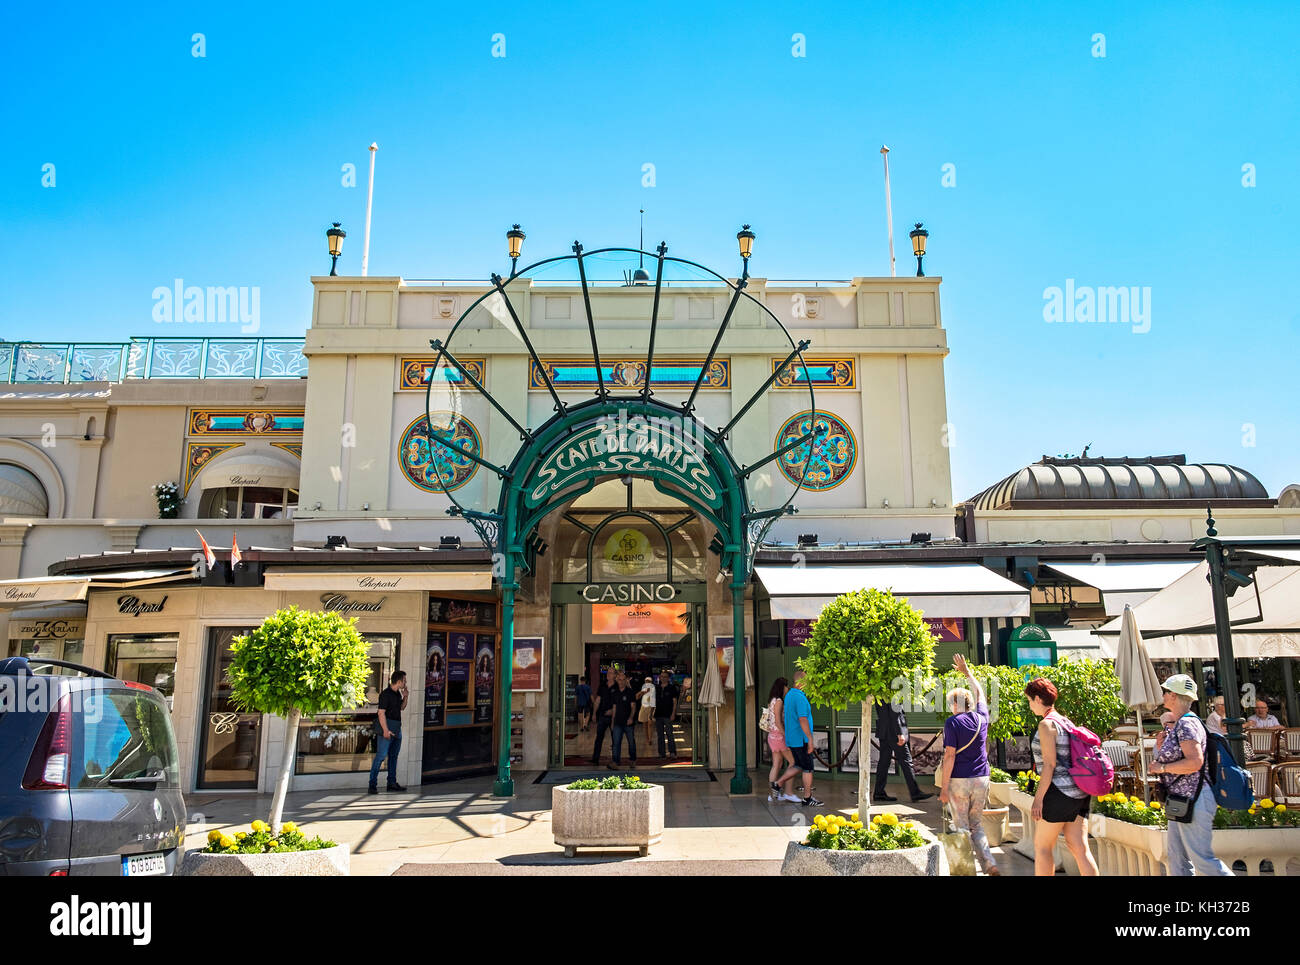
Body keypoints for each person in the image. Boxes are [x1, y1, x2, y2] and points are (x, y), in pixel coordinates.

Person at [1151, 673, 1232, 876]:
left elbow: (1195, 762)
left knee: (1202, 860)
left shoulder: (1187, 724)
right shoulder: (1182, 723)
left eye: (1165, 691)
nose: (1163, 694)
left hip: (1194, 799)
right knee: (1177, 858)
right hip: (1182, 799)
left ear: (1174, 696)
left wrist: (1162, 768)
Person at [1026, 677, 1099, 876]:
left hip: (1058, 792)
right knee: (1080, 847)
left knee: (1042, 847)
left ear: (1039, 699)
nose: (1030, 706)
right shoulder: (1065, 721)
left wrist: (1038, 799)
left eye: (1030, 701)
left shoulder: (1046, 725)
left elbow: (1049, 764)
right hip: (1080, 792)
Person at [938, 654, 999, 875]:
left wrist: (944, 788)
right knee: (977, 825)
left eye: (951, 704)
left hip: (960, 781)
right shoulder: (982, 717)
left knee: (961, 827)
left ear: (955, 704)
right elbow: (980, 692)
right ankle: (989, 863)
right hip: (982, 778)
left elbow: (950, 756)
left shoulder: (952, 722)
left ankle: (965, 871)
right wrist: (968, 673)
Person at [773, 669, 822, 806]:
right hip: (801, 739)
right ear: (800, 682)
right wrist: (810, 739)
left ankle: (778, 783)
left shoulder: (789, 696)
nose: (808, 684)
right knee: (807, 768)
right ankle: (807, 798)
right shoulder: (800, 697)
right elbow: (802, 719)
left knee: (799, 765)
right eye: (806, 681)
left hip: (793, 738)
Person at [874, 695, 933, 804]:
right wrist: (900, 733)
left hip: (884, 731)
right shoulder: (892, 692)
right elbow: (895, 713)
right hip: (894, 733)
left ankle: (879, 792)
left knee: (884, 762)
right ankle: (915, 793)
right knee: (906, 761)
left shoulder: (880, 691)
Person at [369, 670, 408, 794]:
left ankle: (391, 782)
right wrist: (385, 730)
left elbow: (402, 708)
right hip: (387, 727)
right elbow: (381, 713)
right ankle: (372, 785)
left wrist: (406, 696)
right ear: (399, 681)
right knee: (380, 756)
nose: (405, 683)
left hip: (397, 728)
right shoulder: (386, 694)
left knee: (393, 756)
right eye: (404, 681)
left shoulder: (398, 694)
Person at [765, 677, 800, 803]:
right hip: (779, 736)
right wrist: (787, 735)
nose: (788, 688)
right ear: (782, 687)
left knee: (776, 765)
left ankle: (773, 794)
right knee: (793, 762)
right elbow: (779, 722)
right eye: (786, 686)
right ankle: (788, 792)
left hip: (772, 736)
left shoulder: (772, 700)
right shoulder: (779, 701)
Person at [609, 671, 638, 769]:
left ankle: (633, 760)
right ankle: (615, 762)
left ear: (626, 680)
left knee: (631, 743)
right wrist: (612, 722)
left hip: (628, 723)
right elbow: (614, 708)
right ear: (617, 680)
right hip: (617, 722)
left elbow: (633, 707)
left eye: (623, 680)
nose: (621, 682)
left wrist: (631, 718)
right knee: (616, 743)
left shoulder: (630, 692)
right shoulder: (615, 692)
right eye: (619, 680)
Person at [589, 669, 616, 765]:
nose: (608, 674)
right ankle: (595, 758)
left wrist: (613, 711)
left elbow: (620, 702)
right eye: (608, 673)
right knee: (599, 738)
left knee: (615, 738)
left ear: (615, 675)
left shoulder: (617, 686)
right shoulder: (603, 685)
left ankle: (615, 759)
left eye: (611, 673)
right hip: (602, 716)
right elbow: (598, 700)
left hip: (614, 717)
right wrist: (594, 713)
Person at [654, 669, 679, 760]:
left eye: (665, 677)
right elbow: (653, 702)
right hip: (658, 715)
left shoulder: (672, 688)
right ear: (659, 678)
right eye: (662, 677)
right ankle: (662, 753)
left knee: (669, 734)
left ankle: (672, 752)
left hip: (668, 715)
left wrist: (673, 714)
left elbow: (675, 702)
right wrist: (651, 713)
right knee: (660, 735)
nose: (663, 678)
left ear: (668, 678)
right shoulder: (656, 688)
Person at [639, 676, 657, 747]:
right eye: (646, 681)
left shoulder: (653, 689)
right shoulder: (643, 689)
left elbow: (653, 701)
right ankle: (647, 739)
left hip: (651, 708)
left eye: (648, 681)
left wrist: (651, 713)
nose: (647, 682)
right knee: (645, 724)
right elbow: (638, 697)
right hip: (643, 707)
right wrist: (642, 692)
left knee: (650, 724)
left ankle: (650, 739)